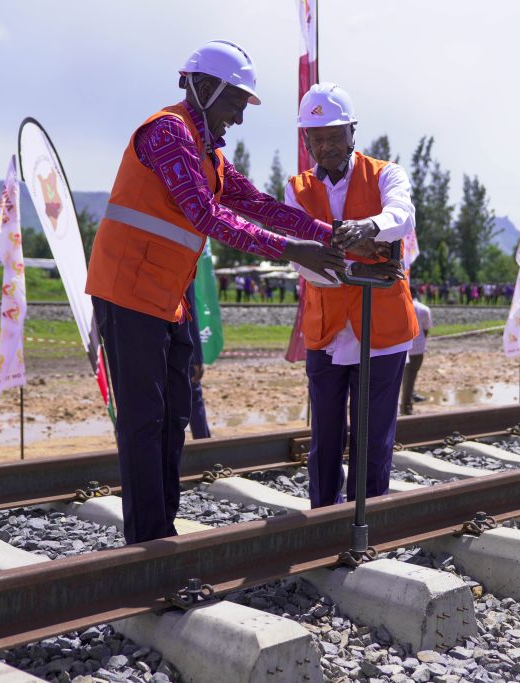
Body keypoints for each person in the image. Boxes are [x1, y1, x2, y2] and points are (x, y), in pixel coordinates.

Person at [85, 40, 349, 544]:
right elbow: (207, 215)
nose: (240, 119)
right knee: (145, 421)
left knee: (174, 416)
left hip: (166, 296)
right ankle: (147, 542)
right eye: (235, 104)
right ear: (205, 89)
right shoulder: (168, 133)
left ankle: (161, 528)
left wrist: (327, 234)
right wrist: (293, 251)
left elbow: (257, 203)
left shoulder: (207, 151)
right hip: (127, 291)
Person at [285, 82, 418, 508]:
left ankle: (369, 517)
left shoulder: (386, 174)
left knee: (373, 436)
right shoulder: (296, 188)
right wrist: (364, 259)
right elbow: (301, 258)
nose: (324, 147)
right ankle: (324, 518)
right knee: (323, 437)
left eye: (333, 136)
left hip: (383, 330)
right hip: (325, 331)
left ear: (352, 132)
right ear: (306, 140)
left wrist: (370, 229)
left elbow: (402, 216)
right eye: (316, 138)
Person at [400, 286, 432, 415]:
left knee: (401, 377)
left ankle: (404, 403)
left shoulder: (400, 306)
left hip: (400, 347)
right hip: (417, 349)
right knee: (411, 376)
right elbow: (426, 330)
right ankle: (406, 406)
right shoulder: (424, 309)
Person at [186, 283, 210, 439]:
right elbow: (190, 309)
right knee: (194, 397)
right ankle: (204, 446)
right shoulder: (183, 261)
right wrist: (197, 357)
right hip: (178, 343)